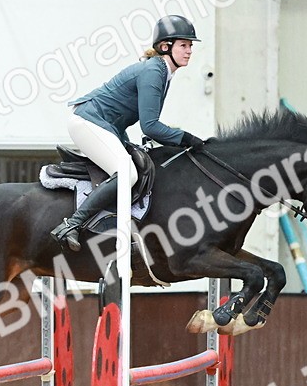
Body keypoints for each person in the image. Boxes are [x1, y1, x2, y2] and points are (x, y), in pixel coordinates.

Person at [50, 14, 208, 252]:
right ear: (166, 47)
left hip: (107, 126)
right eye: (184, 45)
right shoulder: (155, 71)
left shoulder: (163, 71)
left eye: (190, 46)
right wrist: (187, 138)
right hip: (87, 121)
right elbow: (151, 126)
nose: (189, 51)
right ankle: (71, 225)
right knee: (126, 173)